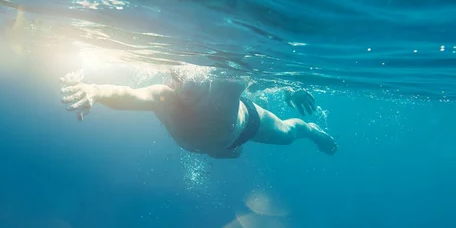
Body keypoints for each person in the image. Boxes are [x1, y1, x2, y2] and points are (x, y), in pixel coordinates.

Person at [60, 69, 337, 159]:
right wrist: (94, 90)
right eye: (178, 82)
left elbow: (262, 78)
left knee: (289, 134)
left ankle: (310, 130)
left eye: (194, 84)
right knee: (225, 153)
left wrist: (290, 91)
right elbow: (129, 95)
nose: (183, 88)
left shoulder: (227, 83)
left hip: (245, 126)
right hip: (216, 145)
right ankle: (222, 150)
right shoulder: (164, 96)